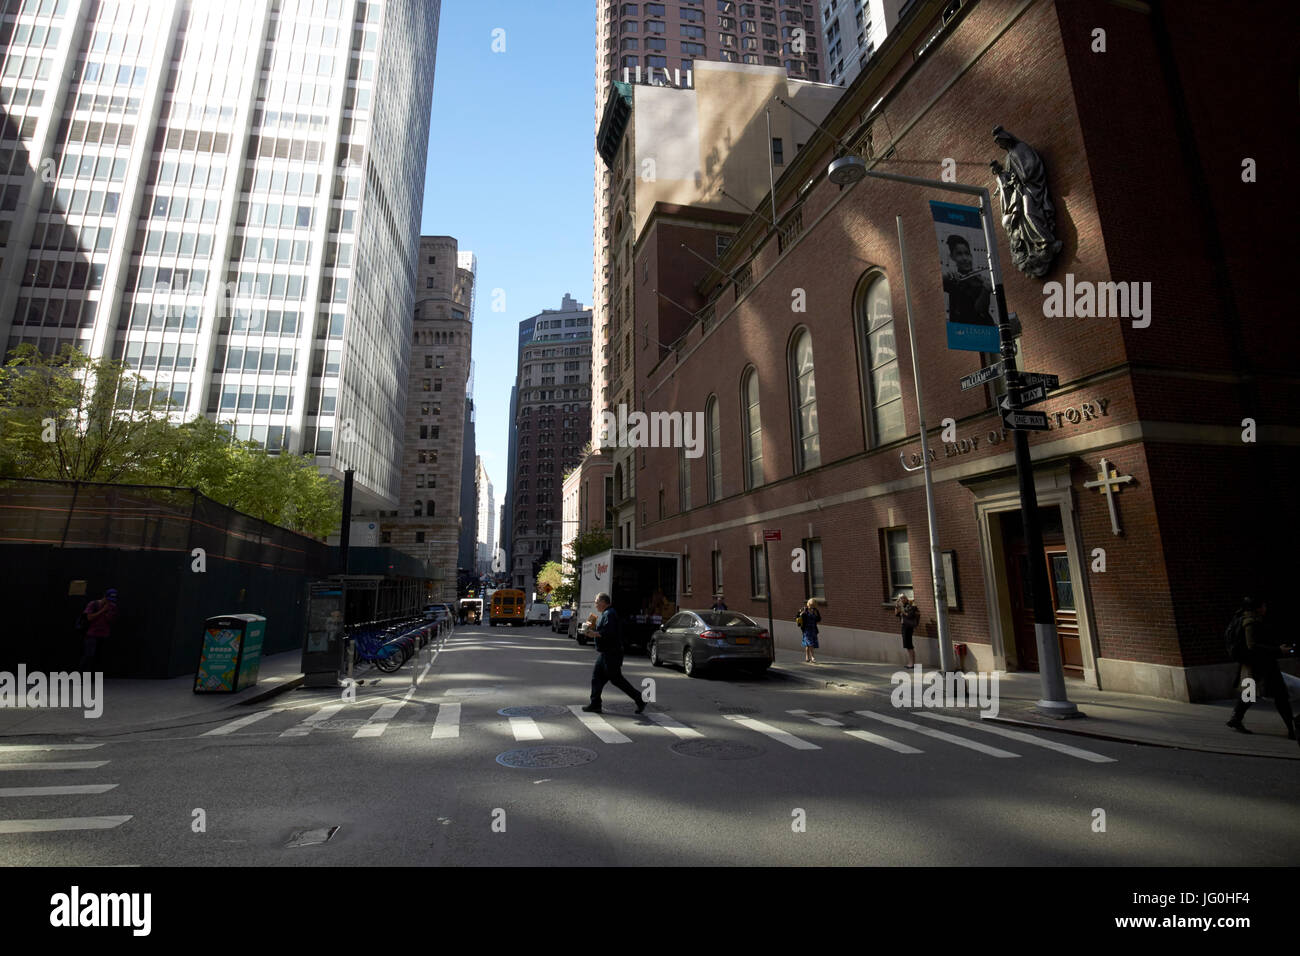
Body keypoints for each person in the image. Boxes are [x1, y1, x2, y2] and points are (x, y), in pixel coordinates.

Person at [1225, 597, 1296, 744]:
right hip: (1262, 664)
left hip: (1252, 664)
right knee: (1280, 696)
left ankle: (1236, 718)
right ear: (1257, 608)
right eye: (1263, 606)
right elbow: (1253, 646)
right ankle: (1292, 729)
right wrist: (1278, 650)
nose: (1265, 608)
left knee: (1250, 692)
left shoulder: (1243, 618)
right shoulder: (1250, 622)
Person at [582, 593, 645, 714]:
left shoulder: (610, 614)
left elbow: (608, 633)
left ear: (604, 602)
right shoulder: (606, 614)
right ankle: (595, 704)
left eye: (597, 602)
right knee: (597, 678)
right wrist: (592, 631)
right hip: (606, 653)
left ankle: (640, 699)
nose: (595, 604)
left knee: (617, 680)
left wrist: (593, 634)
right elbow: (603, 631)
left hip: (612, 653)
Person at [942, 235, 993, 326]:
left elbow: (980, 310)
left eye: (967, 253)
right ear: (952, 257)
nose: (965, 258)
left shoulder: (980, 281)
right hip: (961, 331)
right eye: (959, 254)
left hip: (981, 329)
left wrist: (985, 289)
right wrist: (948, 275)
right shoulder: (953, 280)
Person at [79, 587, 118, 671]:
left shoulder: (113, 606)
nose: (109, 601)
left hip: (103, 634)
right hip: (91, 634)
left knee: (98, 657)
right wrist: (103, 610)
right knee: (89, 655)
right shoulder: (93, 604)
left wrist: (109, 612)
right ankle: (81, 675)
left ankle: (93, 677)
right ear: (104, 596)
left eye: (112, 600)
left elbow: (110, 620)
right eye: (108, 599)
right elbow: (89, 618)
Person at [895, 594, 920, 667]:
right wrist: (897, 606)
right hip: (904, 626)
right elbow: (896, 614)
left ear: (906, 598)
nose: (901, 600)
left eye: (903, 598)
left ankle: (912, 664)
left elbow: (908, 615)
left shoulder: (911, 606)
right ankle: (911, 663)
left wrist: (902, 609)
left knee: (909, 645)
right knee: (907, 645)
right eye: (900, 598)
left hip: (908, 627)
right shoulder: (901, 606)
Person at [798, 598, 821, 664]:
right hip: (806, 630)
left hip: (813, 630)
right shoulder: (804, 609)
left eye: (814, 605)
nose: (812, 606)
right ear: (809, 604)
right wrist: (801, 614)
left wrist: (817, 615)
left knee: (808, 645)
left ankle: (807, 657)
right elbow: (797, 617)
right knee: (810, 643)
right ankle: (813, 657)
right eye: (811, 605)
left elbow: (819, 619)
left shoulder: (815, 610)